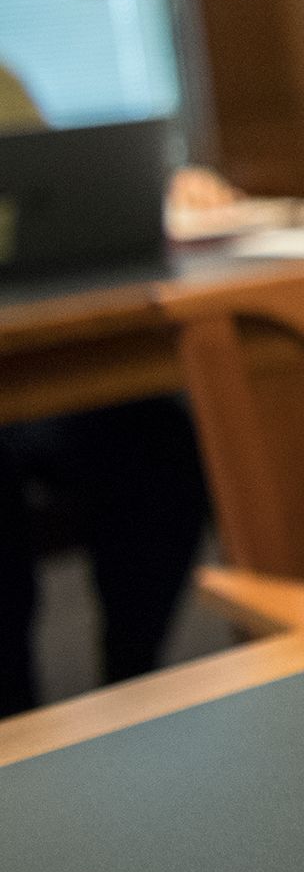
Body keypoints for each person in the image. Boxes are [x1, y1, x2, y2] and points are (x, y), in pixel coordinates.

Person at [0, 58, 212, 716]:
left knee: (155, 437)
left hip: (36, 354)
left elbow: (54, 202)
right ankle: (17, 723)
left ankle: (131, 683)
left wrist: (162, 189)